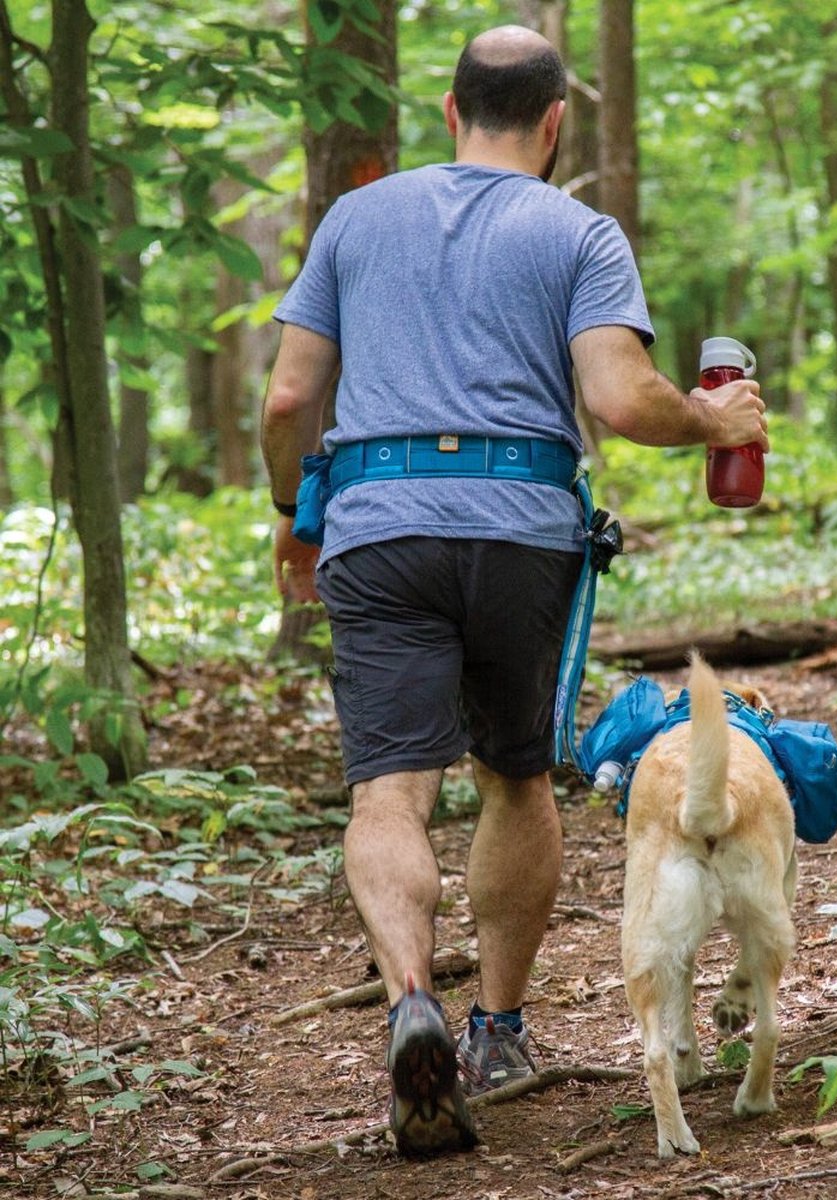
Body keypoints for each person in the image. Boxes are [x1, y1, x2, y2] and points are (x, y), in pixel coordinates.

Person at [259, 24, 768, 1157]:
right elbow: (626, 400)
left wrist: (298, 522)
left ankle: (408, 1001)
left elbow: (290, 401)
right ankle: (495, 1031)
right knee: (516, 779)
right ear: (554, 124)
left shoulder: (356, 217)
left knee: (388, 795)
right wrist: (715, 419)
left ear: (449, 112)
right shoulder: (579, 230)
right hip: (522, 531)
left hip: (379, 527)